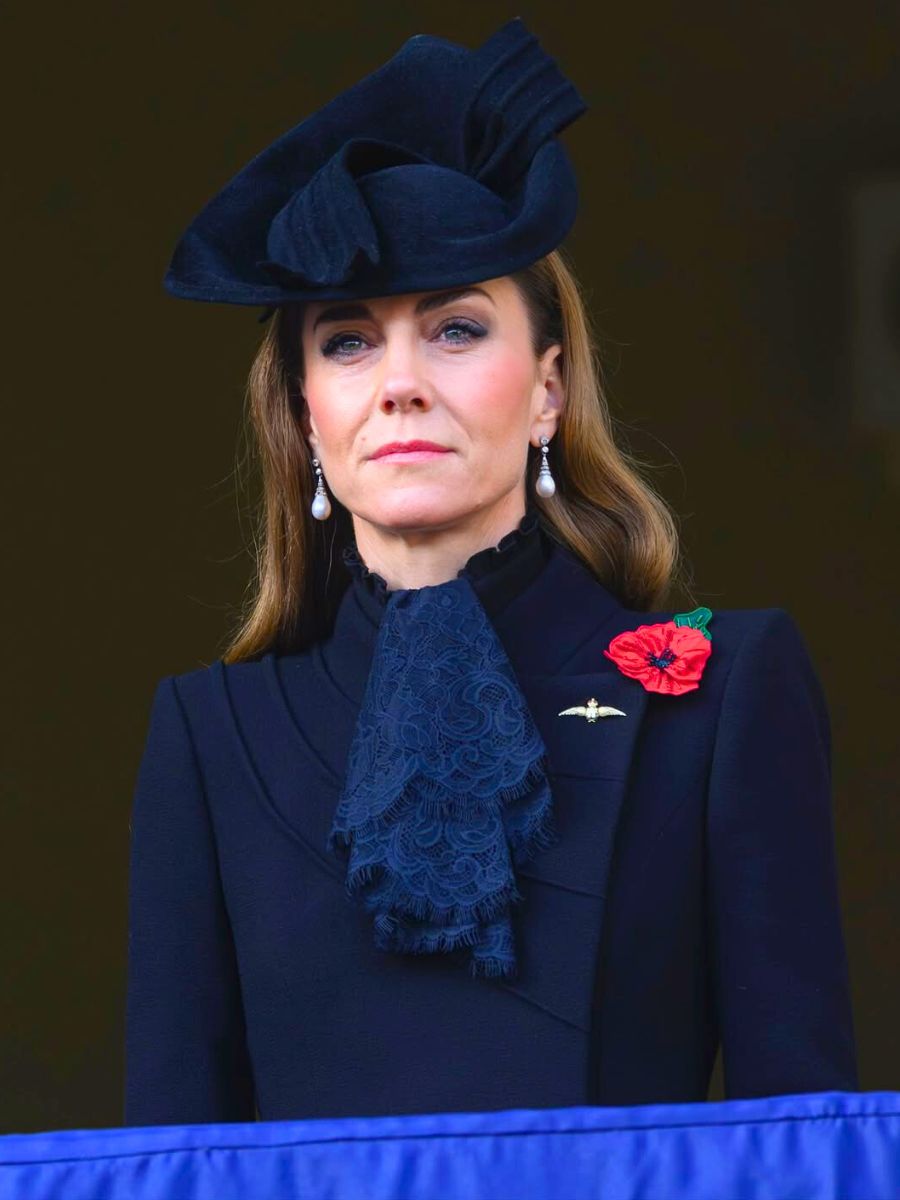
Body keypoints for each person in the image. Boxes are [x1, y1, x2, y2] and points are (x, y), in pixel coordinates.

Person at [124, 17, 858, 1127]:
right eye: (348, 340)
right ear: (305, 416)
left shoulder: (725, 689)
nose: (402, 384)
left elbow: (803, 1144)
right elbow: (172, 1158)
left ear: (550, 390)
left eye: (457, 329)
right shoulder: (210, 732)